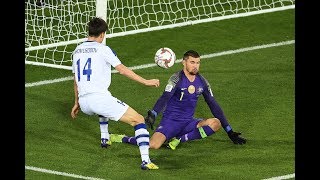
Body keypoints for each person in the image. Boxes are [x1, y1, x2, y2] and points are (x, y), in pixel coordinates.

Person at [110, 50, 246, 150]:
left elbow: (213, 104)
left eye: (198, 63)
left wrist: (229, 131)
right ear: (184, 62)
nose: (196, 66)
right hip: (171, 123)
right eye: (192, 62)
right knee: (153, 145)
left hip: (188, 123)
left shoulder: (202, 82)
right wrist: (154, 113)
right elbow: (165, 97)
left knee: (215, 123)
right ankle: (122, 138)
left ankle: (178, 140)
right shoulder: (176, 79)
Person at [70, 17, 160, 170]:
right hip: (98, 99)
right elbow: (122, 70)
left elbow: (75, 80)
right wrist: (145, 81)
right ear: (102, 34)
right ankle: (146, 161)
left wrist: (76, 102)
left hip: (84, 103)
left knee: (105, 99)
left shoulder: (76, 51)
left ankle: (105, 138)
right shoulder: (104, 49)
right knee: (138, 119)